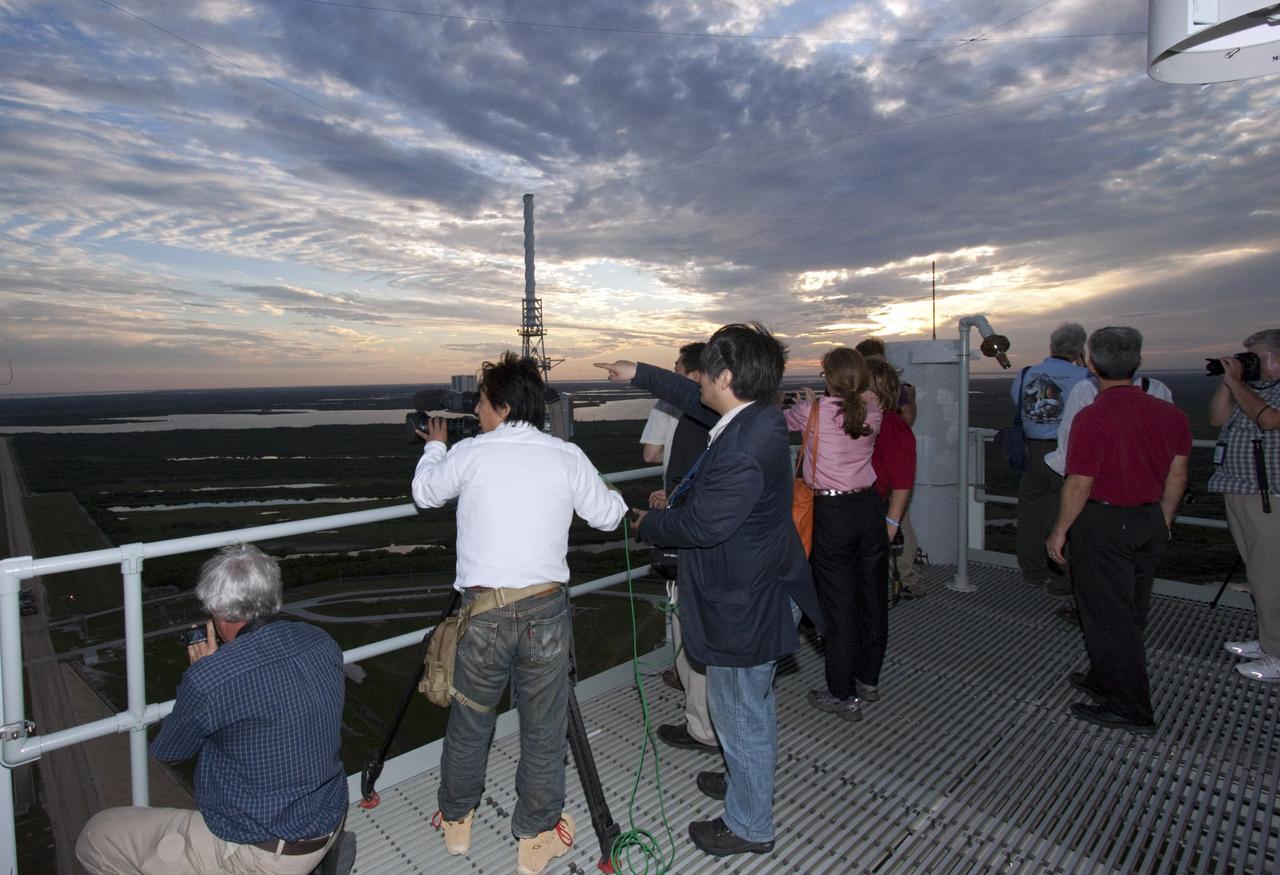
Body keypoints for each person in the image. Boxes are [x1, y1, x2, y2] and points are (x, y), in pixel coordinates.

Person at [595, 323, 821, 859]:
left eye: (703, 371)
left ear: (724, 376)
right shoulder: (757, 418)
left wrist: (643, 523)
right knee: (750, 704)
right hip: (758, 585)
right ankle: (747, 783)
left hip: (745, 600)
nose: (694, 379)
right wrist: (638, 374)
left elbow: (703, 528)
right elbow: (690, 400)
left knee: (739, 709)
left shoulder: (743, 446)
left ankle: (748, 824)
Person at [411, 352, 627, 875]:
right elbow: (608, 515)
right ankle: (534, 842)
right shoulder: (564, 454)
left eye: (482, 403)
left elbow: (425, 494)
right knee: (543, 728)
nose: (477, 413)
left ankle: (457, 825)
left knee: (470, 720)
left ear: (502, 406)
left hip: (483, 612)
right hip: (546, 611)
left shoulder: (472, 453)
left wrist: (436, 447)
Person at [76, 544, 348, 875]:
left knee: (97, 835)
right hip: (328, 818)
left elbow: (171, 750)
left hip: (265, 851)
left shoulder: (211, 678)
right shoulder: (320, 640)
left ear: (217, 610)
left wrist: (201, 673)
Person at [1046, 327, 1191, 734]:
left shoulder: (1092, 418)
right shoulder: (1171, 413)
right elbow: (1178, 474)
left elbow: (1079, 482)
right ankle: (1106, 679)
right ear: (1138, 362)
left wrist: (1059, 532)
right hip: (1148, 520)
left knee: (1107, 617)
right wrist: (1162, 518)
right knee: (1130, 611)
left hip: (1104, 524)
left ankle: (1129, 707)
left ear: (1091, 364)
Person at [784, 347, 884, 721]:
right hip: (868, 509)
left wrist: (809, 403)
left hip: (832, 513)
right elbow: (854, 406)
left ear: (828, 377)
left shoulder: (813, 411)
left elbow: (784, 421)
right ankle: (868, 678)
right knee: (870, 596)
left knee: (838, 605)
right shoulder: (874, 410)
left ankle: (842, 694)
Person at [648, 342, 720, 756]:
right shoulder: (722, 418)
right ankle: (706, 722)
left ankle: (704, 729)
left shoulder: (698, 418)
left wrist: (669, 507)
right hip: (703, 538)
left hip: (693, 545)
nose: (674, 374)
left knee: (693, 633)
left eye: (678, 369)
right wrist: (671, 494)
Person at [1207, 329, 1280, 682]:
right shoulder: (1255, 391)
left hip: (1271, 498)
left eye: (1258, 356)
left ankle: (1278, 653)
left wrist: (1238, 385)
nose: (1250, 362)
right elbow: (1217, 419)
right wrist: (1229, 381)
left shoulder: (1267, 396)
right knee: (1259, 574)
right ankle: (1269, 642)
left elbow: (1269, 420)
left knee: (1272, 576)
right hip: (1241, 490)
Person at [1012, 323, 1091, 594]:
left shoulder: (1026, 375)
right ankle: (1064, 577)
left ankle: (1033, 571)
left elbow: (1019, 406)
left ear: (1051, 346)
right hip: (1068, 453)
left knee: (1031, 513)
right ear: (1081, 348)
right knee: (1069, 515)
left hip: (1033, 452)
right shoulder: (1085, 378)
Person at [855, 337, 923, 596]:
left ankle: (907, 580)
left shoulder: (892, 425)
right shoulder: (884, 414)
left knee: (898, 527)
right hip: (874, 491)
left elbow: (903, 479)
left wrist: (891, 519)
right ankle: (899, 580)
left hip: (884, 491)